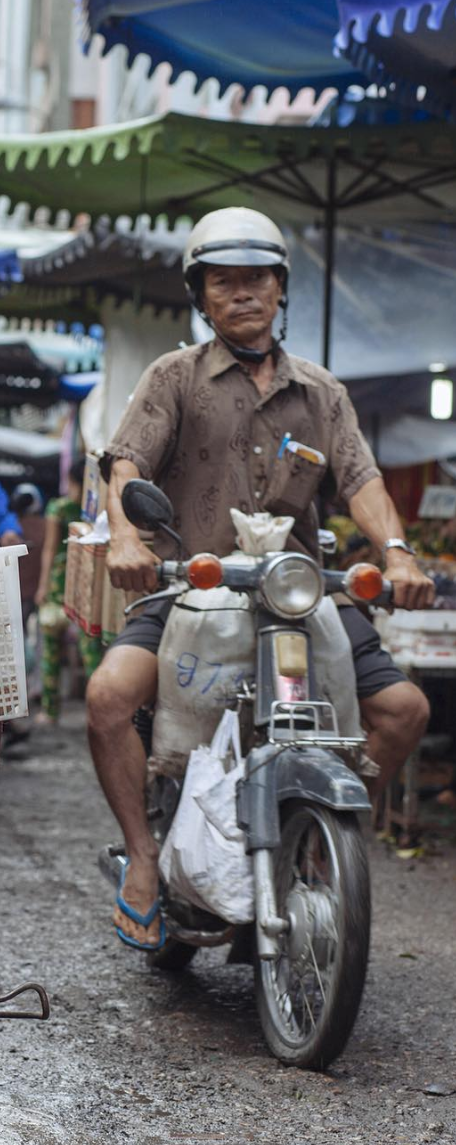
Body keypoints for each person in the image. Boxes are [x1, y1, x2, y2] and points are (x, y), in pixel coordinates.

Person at [86, 206, 434, 950]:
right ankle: (144, 857)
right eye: (224, 283)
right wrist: (124, 535)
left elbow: (362, 478)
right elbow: (126, 465)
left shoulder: (322, 392)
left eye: (257, 280)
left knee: (404, 711)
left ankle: (322, 841)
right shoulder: (173, 377)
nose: (243, 294)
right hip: (192, 587)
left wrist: (398, 550)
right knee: (109, 697)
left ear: (281, 290)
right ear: (201, 296)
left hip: (296, 595)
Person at [33, 457, 102, 725]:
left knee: (62, 650)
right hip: (76, 586)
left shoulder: (61, 508)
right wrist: (42, 586)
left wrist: (43, 584)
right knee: (84, 651)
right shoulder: (89, 513)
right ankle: (80, 711)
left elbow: (50, 549)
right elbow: (50, 548)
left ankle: (55, 712)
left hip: (70, 585)